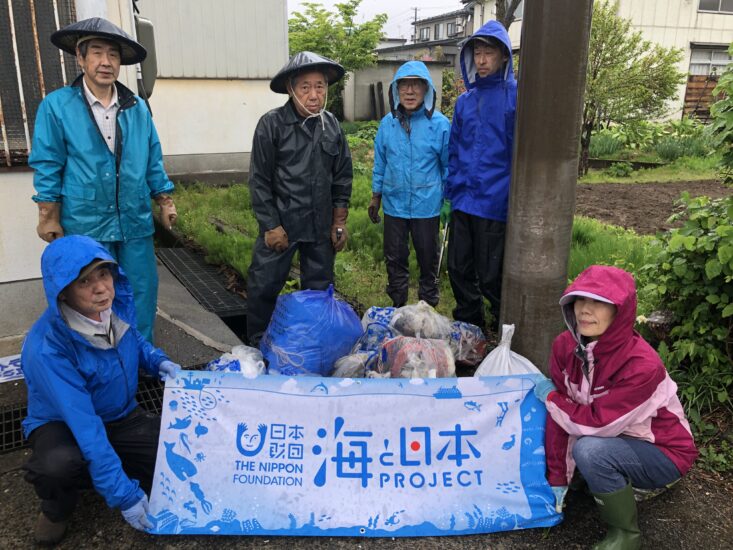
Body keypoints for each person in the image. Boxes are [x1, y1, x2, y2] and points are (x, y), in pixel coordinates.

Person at [20, 235, 180, 545]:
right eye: (84, 281)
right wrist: (124, 495)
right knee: (57, 467)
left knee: (178, 450)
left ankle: (104, 465)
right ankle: (57, 508)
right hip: (63, 423)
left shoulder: (113, 307)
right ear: (62, 292)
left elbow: (134, 341)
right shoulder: (47, 348)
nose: (101, 288)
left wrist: (157, 361)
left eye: (104, 274)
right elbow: (84, 423)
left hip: (121, 413)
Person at [30, 17, 177, 343]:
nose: (105, 62)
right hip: (85, 219)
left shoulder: (137, 108)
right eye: (96, 53)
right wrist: (47, 213)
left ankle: (139, 356)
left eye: (113, 54)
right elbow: (48, 162)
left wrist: (164, 199)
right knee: (88, 292)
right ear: (81, 58)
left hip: (133, 217)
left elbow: (152, 157)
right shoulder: (57, 106)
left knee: (140, 288)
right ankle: (96, 357)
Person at [534, 265, 698, 549]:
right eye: (580, 300)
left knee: (591, 450)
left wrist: (551, 398)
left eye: (599, 302)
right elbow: (562, 415)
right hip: (616, 439)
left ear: (620, 311)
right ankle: (600, 478)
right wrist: (559, 476)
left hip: (663, 451)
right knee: (581, 440)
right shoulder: (564, 347)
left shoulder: (641, 366)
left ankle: (624, 535)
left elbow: (593, 424)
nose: (585, 310)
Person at [246, 51, 353, 345]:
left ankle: (313, 345)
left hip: (319, 226)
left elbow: (342, 177)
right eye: (305, 87)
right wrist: (270, 224)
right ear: (292, 89)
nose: (314, 94)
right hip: (282, 222)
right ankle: (257, 343)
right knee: (264, 284)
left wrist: (339, 221)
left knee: (319, 288)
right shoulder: (271, 125)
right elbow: (259, 180)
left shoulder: (332, 125)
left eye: (319, 86)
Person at [444, 20, 516, 333]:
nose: (482, 60)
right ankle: (470, 330)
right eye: (477, 52)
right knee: (458, 268)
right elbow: (455, 149)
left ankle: (504, 331)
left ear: (503, 56)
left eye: (489, 52)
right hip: (463, 201)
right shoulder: (465, 102)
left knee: (490, 275)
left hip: (494, 202)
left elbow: (519, 154)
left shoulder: (515, 98)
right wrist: (450, 193)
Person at [369, 60, 450, 307]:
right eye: (404, 85)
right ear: (396, 90)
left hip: (428, 206)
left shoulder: (440, 124)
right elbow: (381, 163)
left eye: (416, 85)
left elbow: (448, 166)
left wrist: (448, 201)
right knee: (395, 259)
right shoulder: (387, 124)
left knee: (428, 259)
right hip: (394, 204)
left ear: (426, 90)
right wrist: (376, 196)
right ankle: (398, 308)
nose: (410, 91)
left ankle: (427, 310)